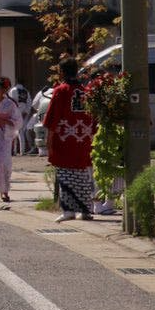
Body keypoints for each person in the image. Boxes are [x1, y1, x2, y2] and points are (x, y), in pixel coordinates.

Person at [44, 58, 97, 222]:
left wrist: (49, 142)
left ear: (61, 72)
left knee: (66, 174)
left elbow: (52, 120)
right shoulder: (86, 91)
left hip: (65, 139)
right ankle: (86, 209)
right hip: (84, 138)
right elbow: (94, 119)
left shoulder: (61, 91)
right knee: (82, 174)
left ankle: (69, 211)